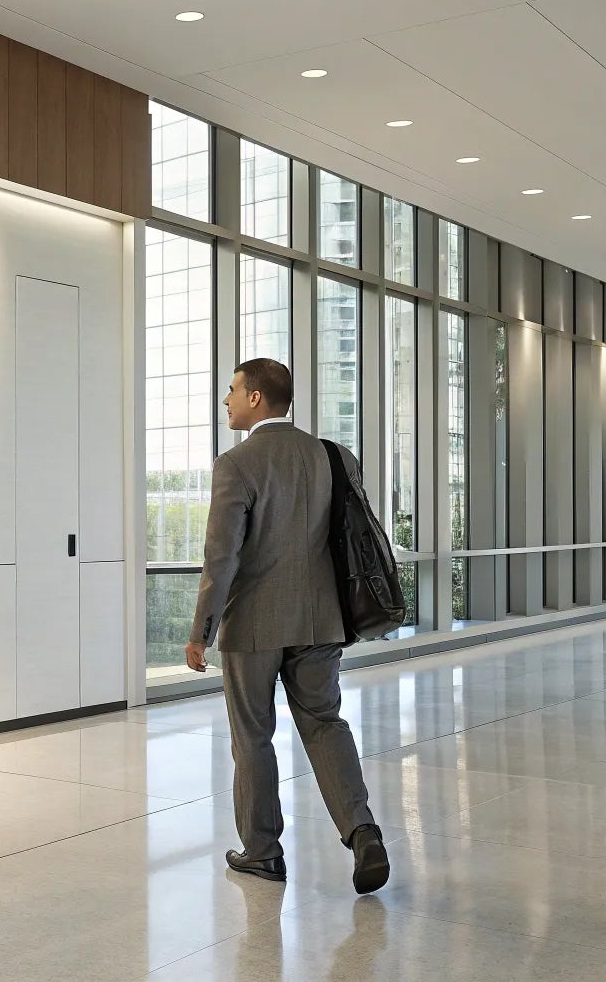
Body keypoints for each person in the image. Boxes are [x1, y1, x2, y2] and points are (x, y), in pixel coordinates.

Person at [183, 357, 389, 895]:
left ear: (256, 398)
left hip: (253, 625)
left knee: (253, 735)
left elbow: (221, 557)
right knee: (324, 722)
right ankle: (362, 830)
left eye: (231, 390)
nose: (226, 400)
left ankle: (262, 852)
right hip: (322, 620)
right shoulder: (334, 456)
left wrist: (200, 629)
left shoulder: (237, 463)